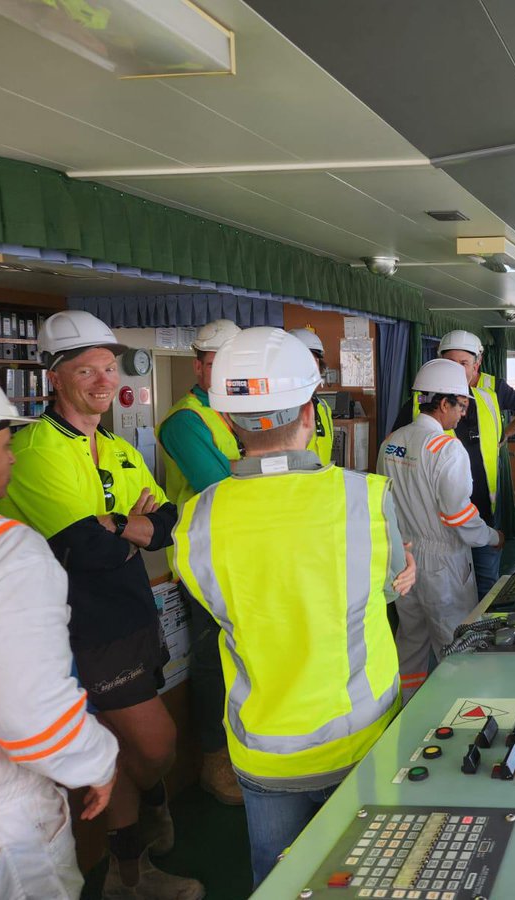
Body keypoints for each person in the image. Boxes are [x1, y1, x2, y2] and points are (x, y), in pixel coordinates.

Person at [171, 327, 415, 887]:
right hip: (360, 740)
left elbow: (218, 606)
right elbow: (387, 589)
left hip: (264, 747)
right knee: (367, 879)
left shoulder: (196, 519)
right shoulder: (366, 497)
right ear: (310, 412)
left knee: (277, 879)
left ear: (227, 420)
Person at [0, 310, 203, 899]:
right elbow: (85, 550)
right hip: (80, 626)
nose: (103, 380)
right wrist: (127, 530)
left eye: (109, 368)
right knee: (154, 746)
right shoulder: (35, 449)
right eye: (86, 370)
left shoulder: (116, 446)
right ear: (54, 378)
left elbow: (169, 523)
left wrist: (119, 526)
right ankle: (143, 834)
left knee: (122, 747)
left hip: (131, 612)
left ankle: (128, 871)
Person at [0, 360, 119, 899]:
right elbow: (31, 719)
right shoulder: (2, 550)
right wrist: (97, 760)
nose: (13, 456)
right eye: (2, 444)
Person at [156, 318, 244, 806]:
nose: (223, 372)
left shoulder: (238, 410)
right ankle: (215, 760)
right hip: (205, 561)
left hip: (246, 554)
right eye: (214, 363)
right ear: (198, 367)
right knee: (213, 659)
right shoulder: (185, 422)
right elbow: (223, 488)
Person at [380, 358, 504, 698]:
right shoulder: (447, 448)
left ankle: (408, 711)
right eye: (461, 405)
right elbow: (458, 516)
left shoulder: (392, 442)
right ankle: (459, 711)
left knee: (411, 642)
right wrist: (491, 537)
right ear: (443, 403)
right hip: (443, 564)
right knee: (456, 645)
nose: (463, 414)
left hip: (404, 561)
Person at [394, 330, 515, 599]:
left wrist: (505, 435)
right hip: (437, 528)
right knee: (450, 601)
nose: (456, 371)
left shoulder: (489, 398)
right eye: (450, 363)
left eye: (463, 363)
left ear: (477, 364)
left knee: (485, 592)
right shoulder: (417, 406)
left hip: (482, 514)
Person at [288, 327, 337, 465]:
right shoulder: (277, 410)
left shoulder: (323, 407)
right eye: (302, 360)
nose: (310, 367)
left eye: (314, 360)